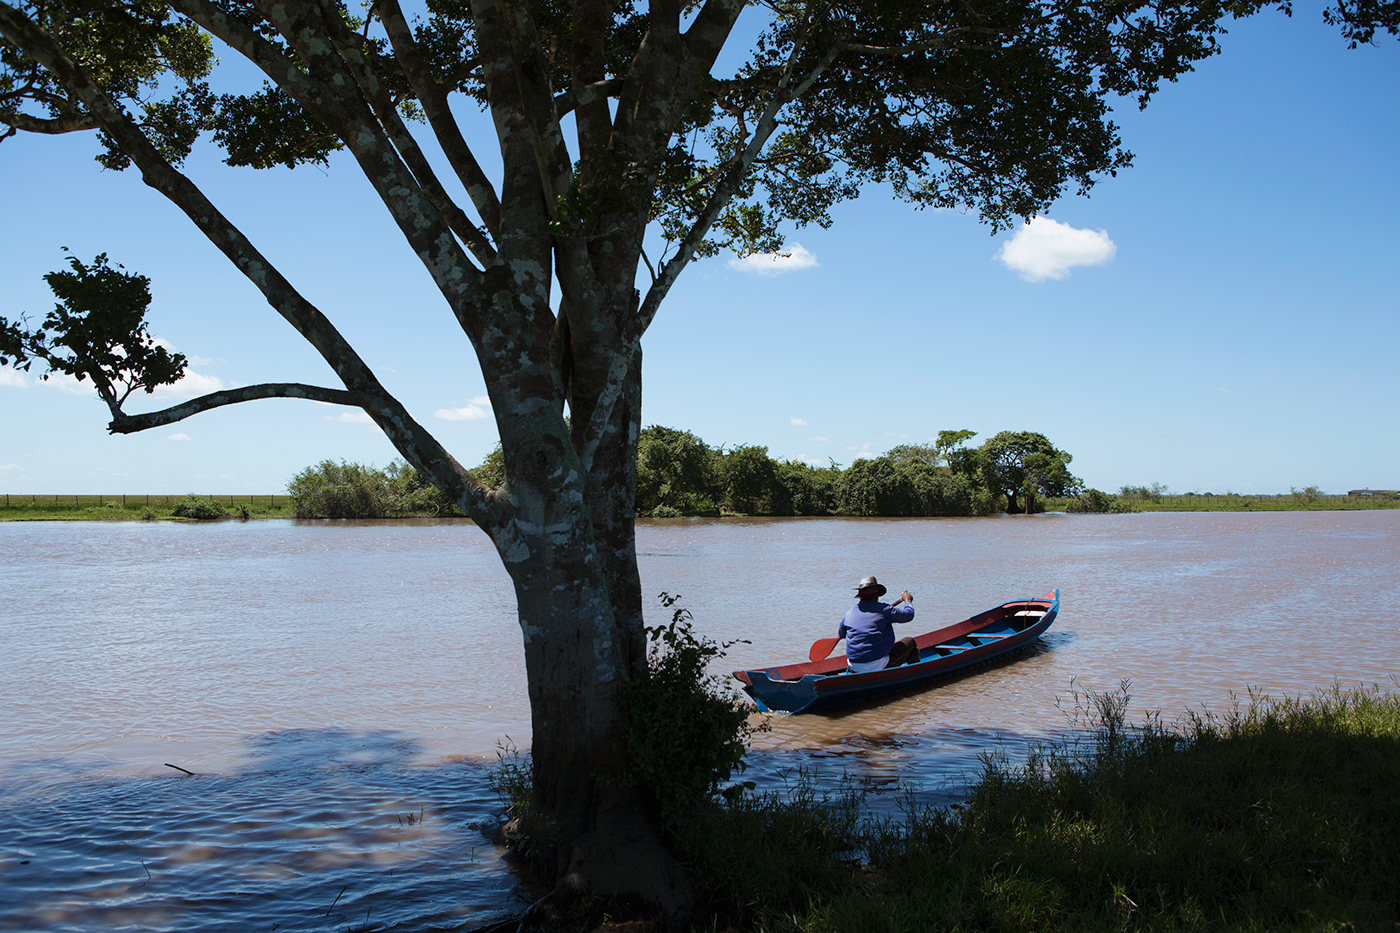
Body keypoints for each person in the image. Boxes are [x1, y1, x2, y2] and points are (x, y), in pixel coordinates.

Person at [838, 575, 918, 672]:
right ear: (876, 596)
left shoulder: (849, 613)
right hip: (877, 665)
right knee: (910, 642)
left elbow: (842, 634)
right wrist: (907, 600)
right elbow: (908, 615)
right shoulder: (884, 610)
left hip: (854, 665)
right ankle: (914, 673)